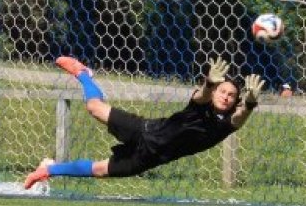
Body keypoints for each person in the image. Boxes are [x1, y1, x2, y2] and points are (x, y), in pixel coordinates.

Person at [24, 56, 265, 187]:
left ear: (236, 100)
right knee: (93, 107)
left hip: (149, 158)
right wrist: (210, 82)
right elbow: (201, 94)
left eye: (231, 95)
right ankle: (83, 74)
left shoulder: (227, 124)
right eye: (222, 91)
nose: (225, 96)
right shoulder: (199, 105)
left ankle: (48, 169)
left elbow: (239, 118)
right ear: (215, 92)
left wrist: (251, 103)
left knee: (99, 170)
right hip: (144, 130)